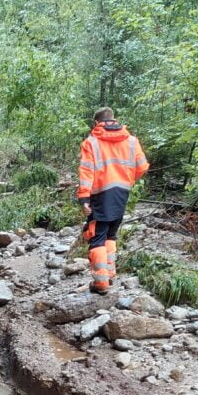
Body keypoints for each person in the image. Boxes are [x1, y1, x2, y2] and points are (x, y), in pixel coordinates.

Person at [77, 107, 149, 294]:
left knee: (97, 235)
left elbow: (87, 172)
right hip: (122, 193)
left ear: (96, 123)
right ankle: (108, 274)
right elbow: (142, 166)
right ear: (113, 119)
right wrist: (127, 180)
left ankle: (101, 283)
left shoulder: (91, 142)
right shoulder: (131, 140)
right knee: (111, 234)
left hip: (100, 195)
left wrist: (84, 198)